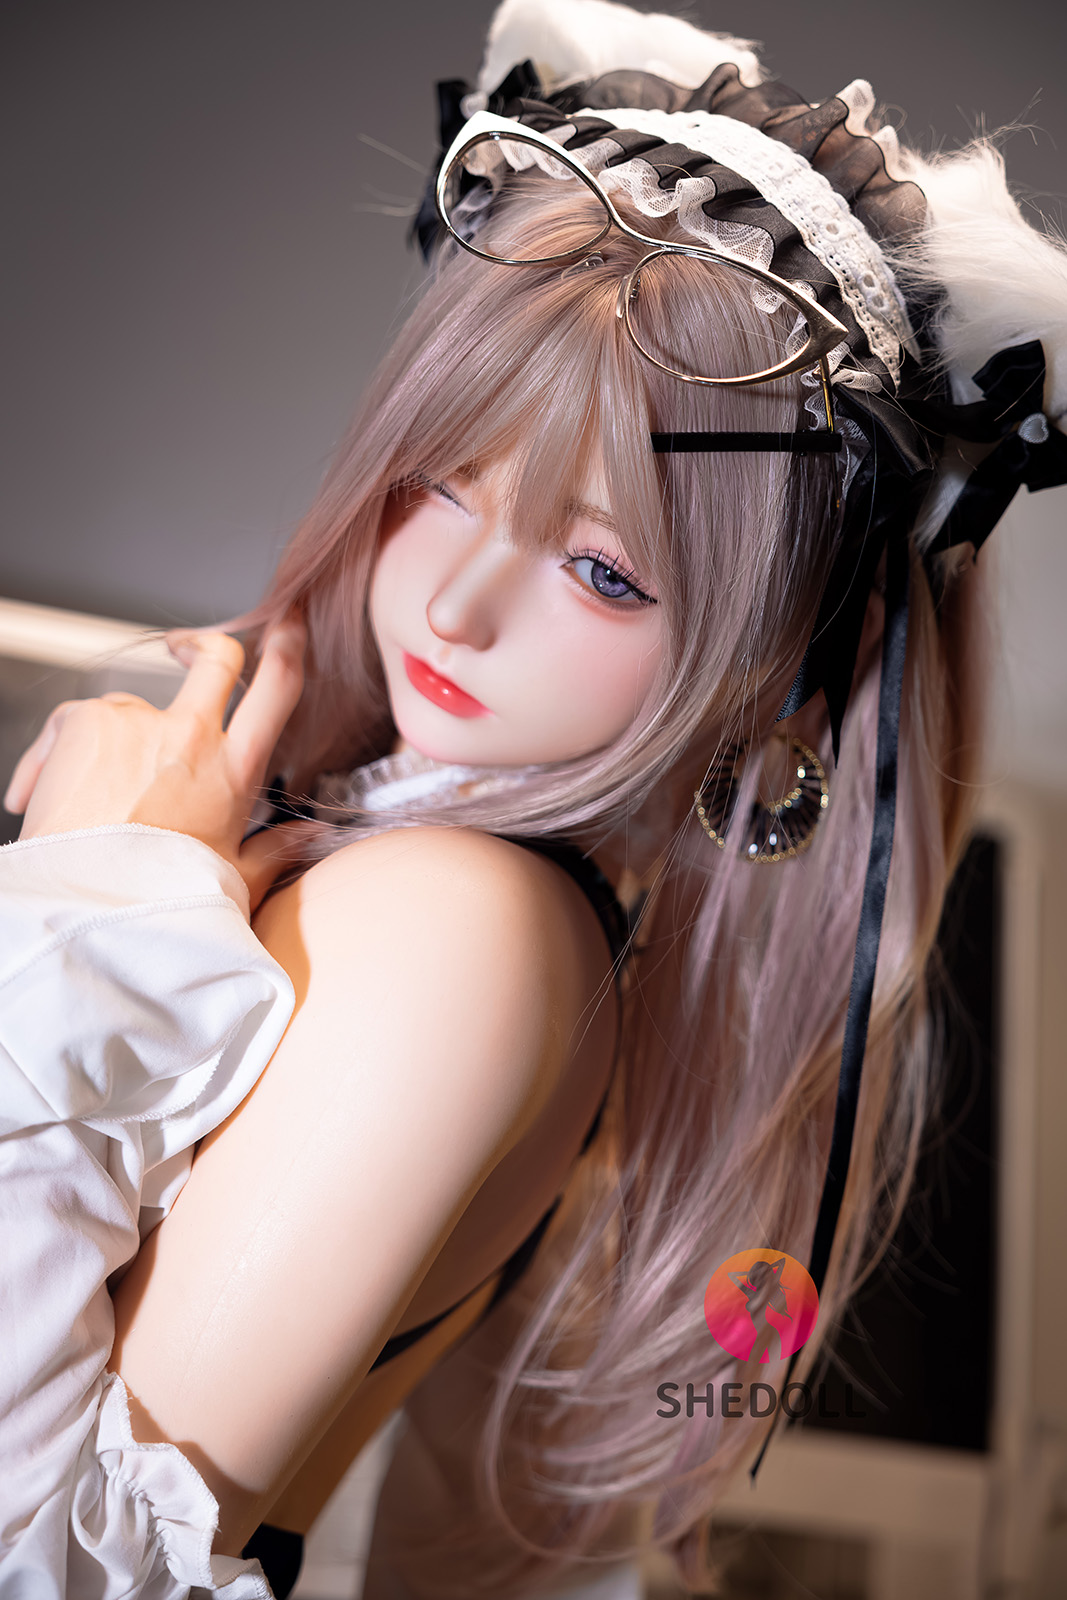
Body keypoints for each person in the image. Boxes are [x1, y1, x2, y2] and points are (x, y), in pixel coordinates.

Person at [2, 1, 1065, 1595]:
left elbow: (56, 1565)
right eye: (442, 479)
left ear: (773, 666)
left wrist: (91, 893)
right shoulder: (393, 871)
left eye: (602, 569)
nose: (457, 605)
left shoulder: (453, 930)